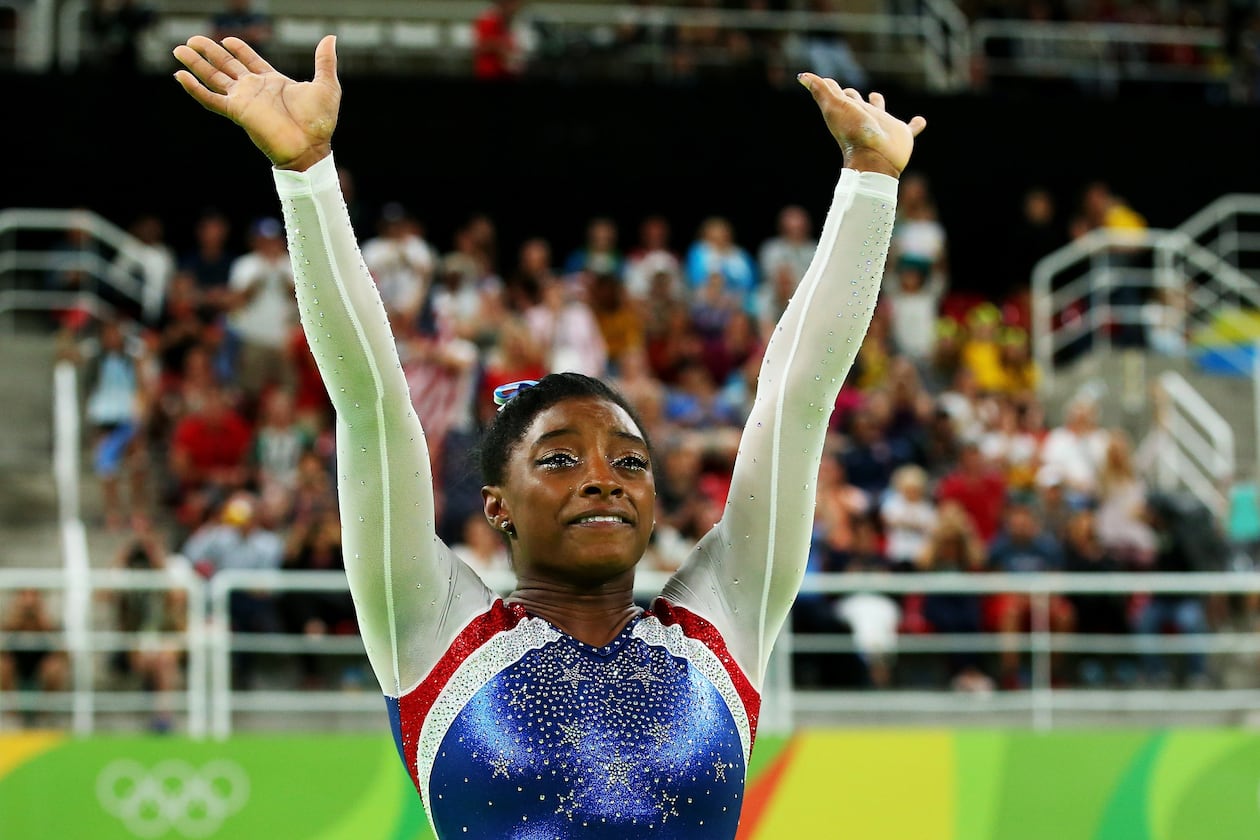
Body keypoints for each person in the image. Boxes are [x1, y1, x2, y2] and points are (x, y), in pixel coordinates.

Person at [173, 33, 924, 837]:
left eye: (629, 462)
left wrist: (872, 184)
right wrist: (307, 173)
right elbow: (371, 405)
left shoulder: (720, 627)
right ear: (497, 505)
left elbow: (799, 398)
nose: (604, 478)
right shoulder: (433, 632)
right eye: (560, 459)